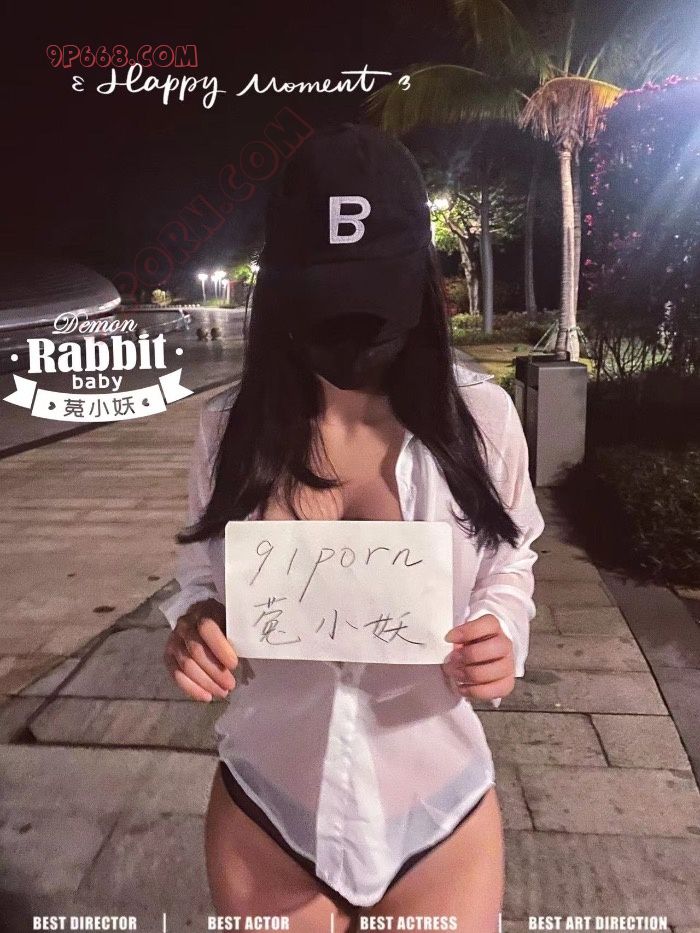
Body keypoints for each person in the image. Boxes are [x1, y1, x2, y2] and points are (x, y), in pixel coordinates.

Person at [160, 123, 545, 931]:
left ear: (418, 282)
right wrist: (195, 623)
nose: (351, 334)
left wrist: (503, 631)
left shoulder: (483, 419)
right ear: (282, 289)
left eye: (372, 299)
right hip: (268, 807)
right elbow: (198, 571)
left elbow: (512, 556)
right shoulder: (227, 428)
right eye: (326, 301)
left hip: (437, 814)